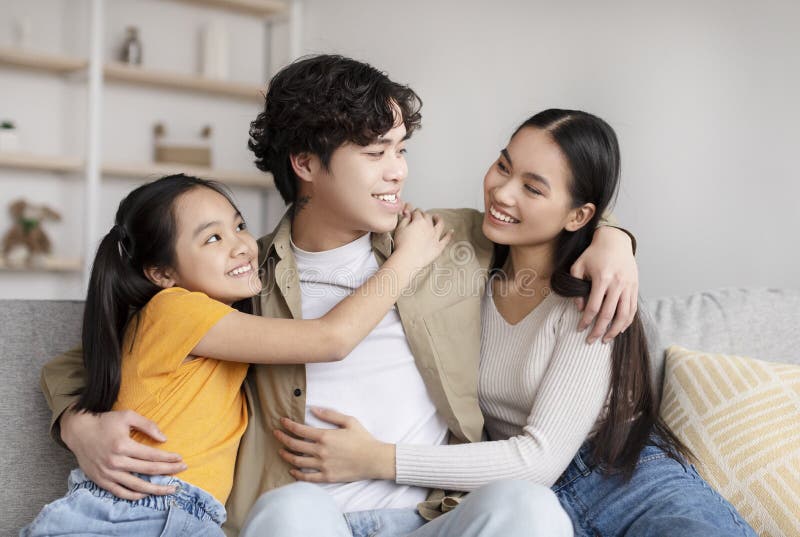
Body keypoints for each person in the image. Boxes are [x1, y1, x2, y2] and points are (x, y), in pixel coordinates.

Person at [39, 56, 638, 536]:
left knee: (529, 511)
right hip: (311, 518)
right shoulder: (240, 278)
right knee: (290, 512)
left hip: (436, 515)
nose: (398, 172)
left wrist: (614, 238)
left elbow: (543, 219)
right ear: (306, 163)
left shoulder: (443, 240)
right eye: (376, 154)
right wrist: (77, 422)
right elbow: (105, 346)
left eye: (400, 150)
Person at [272, 109, 757, 537]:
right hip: (509, 493)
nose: (501, 192)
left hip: (622, 479)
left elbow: (540, 459)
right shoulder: (461, 261)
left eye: (532, 187)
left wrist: (376, 457)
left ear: (578, 216)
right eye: (504, 166)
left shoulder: (590, 296)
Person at [23, 173, 450, 536]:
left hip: (190, 516)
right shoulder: (176, 310)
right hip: (130, 513)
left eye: (239, 225)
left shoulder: (221, 314)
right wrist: (407, 260)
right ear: (162, 274)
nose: (242, 245)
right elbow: (330, 339)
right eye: (212, 238)